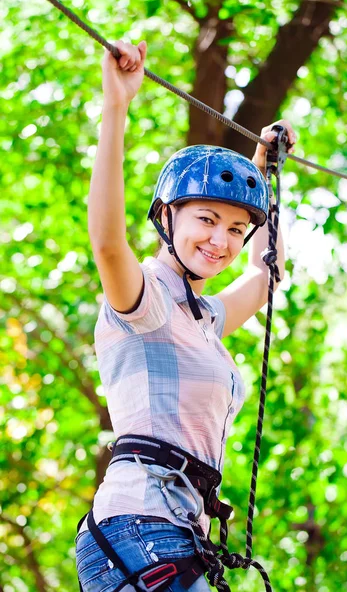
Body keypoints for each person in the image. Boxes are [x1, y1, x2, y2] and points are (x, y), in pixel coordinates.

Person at [75, 39, 296, 592]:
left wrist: (261, 169)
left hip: (177, 529)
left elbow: (267, 276)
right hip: (138, 526)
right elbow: (106, 243)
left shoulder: (203, 320)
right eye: (205, 219)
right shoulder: (145, 300)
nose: (221, 241)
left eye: (236, 230)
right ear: (167, 217)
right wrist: (117, 104)